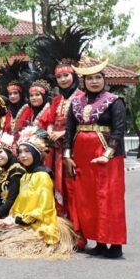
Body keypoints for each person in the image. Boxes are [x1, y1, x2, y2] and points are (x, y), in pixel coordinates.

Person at [0, 126, 76, 260]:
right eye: (20, 151)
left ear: (36, 154)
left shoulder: (42, 175)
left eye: (27, 151)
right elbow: (18, 205)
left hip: (38, 223)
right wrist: (8, 219)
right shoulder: (26, 176)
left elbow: (42, 209)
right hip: (22, 220)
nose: (22, 155)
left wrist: (15, 221)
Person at [65, 58, 127, 259]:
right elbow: (69, 130)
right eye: (90, 78)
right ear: (83, 82)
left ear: (104, 79)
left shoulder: (115, 101)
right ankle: (99, 241)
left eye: (98, 78)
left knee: (109, 198)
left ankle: (115, 245)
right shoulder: (76, 103)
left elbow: (118, 131)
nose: (94, 82)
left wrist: (108, 154)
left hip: (106, 155)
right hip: (82, 156)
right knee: (88, 200)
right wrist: (67, 155)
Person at [33, 26, 88, 238]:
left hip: (74, 151)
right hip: (54, 152)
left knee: (74, 190)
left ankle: (77, 232)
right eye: (60, 77)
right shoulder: (57, 100)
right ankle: (60, 228)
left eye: (67, 75)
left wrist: (63, 134)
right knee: (56, 187)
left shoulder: (82, 97)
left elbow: (84, 122)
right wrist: (49, 133)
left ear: (74, 76)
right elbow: (46, 120)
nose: (63, 80)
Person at [0, 60, 30, 136]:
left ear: (21, 94)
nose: (12, 96)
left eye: (15, 93)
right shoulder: (8, 112)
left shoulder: (28, 109)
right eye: (10, 94)